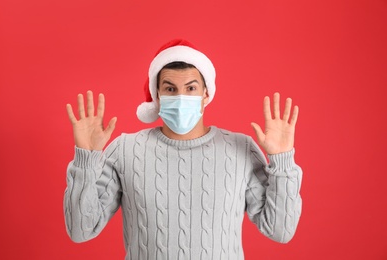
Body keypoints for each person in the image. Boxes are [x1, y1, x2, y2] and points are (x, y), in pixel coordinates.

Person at [63, 39, 303, 260]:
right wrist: (86, 159)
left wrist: (282, 161)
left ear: (206, 93)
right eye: (170, 89)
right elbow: (80, 230)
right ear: (157, 95)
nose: (180, 97)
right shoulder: (126, 150)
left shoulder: (240, 149)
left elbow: (280, 231)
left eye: (190, 88)